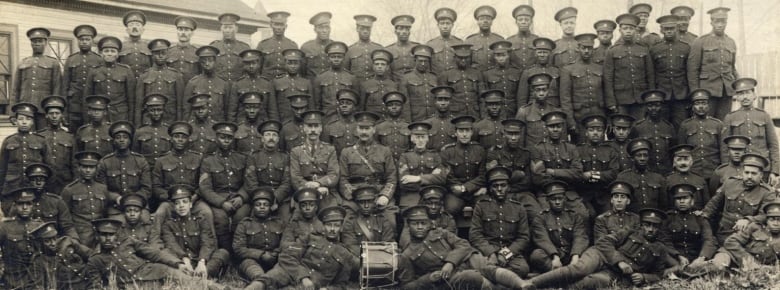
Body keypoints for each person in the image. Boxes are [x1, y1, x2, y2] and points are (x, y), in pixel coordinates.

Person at [519, 208, 678, 289]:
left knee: (590, 283)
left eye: (654, 226)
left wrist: (644, 277)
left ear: (659, 228)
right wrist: (620, 261)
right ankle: (531, 283)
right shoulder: (629, 231)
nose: (650, 229)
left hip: (614, 274)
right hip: (600, 255)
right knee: (579, 270)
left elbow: (658, 274)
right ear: (642, 225)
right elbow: (604, 242)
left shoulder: (661, 249)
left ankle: (557, 286)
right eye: (647, 225)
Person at [398, 205, 527, 289]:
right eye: (415, 224)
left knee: (488, 269)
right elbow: (407, 286)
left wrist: (450, 263)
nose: (420, 227)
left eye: (423, 223)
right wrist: (427, 279)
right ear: (408, 226)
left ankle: (523, 285)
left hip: (462, 265)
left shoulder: (442, 233)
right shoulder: (406, 254)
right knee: (471, 276)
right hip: (447, 281)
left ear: (429, 224)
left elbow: (464, 245)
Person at [84, 217, 227, 289]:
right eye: (103, 235)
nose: (108, 238)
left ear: (117, 234)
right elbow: (95, 286)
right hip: (132, 286)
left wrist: (177, 263)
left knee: (193, 283)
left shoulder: (128, 242)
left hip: (156, 272)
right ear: (97, 236)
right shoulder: (95, 260)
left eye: (111, 234)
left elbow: (155, 253)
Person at [253, 206, 358, 290]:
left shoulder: (345, 254)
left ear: (341, 228)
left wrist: (328, 289)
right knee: (263, 282)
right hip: (290, 272)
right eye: (329, 225)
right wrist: (303, 277)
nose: (332, 229)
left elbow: (341, 284)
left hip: (313, 286)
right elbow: (287, 256)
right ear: (323, 225)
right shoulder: (309, 238)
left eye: (336, 226)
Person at [698, 153, 776, 244]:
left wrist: (748, 220)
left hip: (747, 238)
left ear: (761, 175)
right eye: (747, 172)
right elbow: (714, 203)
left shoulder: (767, 192)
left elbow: (765, 215)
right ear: (742, 172)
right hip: (723, 235)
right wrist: (703, 215)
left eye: (754, 173)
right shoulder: (730, 183)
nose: (749, 176)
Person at [470, 166, 531, 277]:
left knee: (523, 269)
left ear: (509, 187)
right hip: (488, 250)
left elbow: (523, 237)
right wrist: (490, 253)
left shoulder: (519, 208)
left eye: (503, 185)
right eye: (495, 186)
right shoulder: (481, 206)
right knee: (481, 268)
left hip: (510, 252)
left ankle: (496, 280)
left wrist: (505, 254)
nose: (499, 189)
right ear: (490, 188)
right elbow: (475, 235)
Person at [199, 122, 251, 249]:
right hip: (218, 199)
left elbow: (249, 182)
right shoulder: (208, 161)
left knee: (241, 217)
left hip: (238, 198)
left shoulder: (242, 158)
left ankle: (239, 252)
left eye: (229, 138)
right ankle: (225, 253)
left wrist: (242, 197)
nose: (226, 141)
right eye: (222, 137)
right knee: (220, 220)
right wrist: (222, 203)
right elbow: (205, 188)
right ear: (216, 139)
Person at [160, 185, 230, 279]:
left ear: (190, 204)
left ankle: (200, 274)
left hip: (200, 261)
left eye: (185, 202)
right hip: (181, 262)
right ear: (174, 207)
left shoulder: (200, 220)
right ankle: (199, 277)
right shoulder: (168, 224)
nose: (181, 206)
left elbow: (207, 242)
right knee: (166, 258)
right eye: (177, 203)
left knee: (223, 253)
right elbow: (171, 244)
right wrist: (184, 259)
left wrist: (202, 262)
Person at [721, 77, 780, 185]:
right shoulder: (730, 118)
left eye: (747, 93)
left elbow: (773, 145)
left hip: (763, 169)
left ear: (754, 95)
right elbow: (725, 148)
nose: (745, 97)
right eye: (741, 94)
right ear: (737, 97)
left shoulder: (764, 116)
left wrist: (775, 171)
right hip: (740, 169)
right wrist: (727, 170)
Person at [339, 111, 397, 217]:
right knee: (348, 221)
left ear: (374, 129)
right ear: (356, 130)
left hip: (378, 193)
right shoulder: (346, 152)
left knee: (390, 221)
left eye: (367, 128)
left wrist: (385, 196)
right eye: (361, 128)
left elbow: (391, 177)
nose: (364, 132)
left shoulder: (384, 151)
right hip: (355, 196)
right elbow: (343, 179)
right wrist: (353, 196)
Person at [530, 111, 587, 217]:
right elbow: (538, 178)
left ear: (563, 127)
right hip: (546, 194)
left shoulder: (571, 148)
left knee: (583, 214)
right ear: (546, 128)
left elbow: (578, 173)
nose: (555, 129)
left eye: (558, 126)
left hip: (568, 193)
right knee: (544, 216)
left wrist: (552, 172)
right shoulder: (538, 149)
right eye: (551, 126)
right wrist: (567, 175)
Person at [687, 7, 738, 120]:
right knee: (707, 124)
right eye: (717, 21)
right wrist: (696, 94)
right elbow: (692, 70)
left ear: (726, 22)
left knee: (724, 123)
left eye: (723, 21)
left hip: (726, 92)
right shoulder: (700, 41)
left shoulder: (731, 42)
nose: (720, 24)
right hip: (707, 92)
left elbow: (732, 68)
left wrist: (737, 86)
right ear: (711, 22)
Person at [529, 180, 589, 273]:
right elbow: (542, 239)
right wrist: (554, 256)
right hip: (552, 256)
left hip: (571, 254)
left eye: (560, 198)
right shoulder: (540, 218)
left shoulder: (574, 216)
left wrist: (575, 256)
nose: (557, 202)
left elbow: (580, 237)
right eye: (553, 199)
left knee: (589, 254)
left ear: (565, 198)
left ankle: (558, 274)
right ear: (547, 200)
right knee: (536, 255)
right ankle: (567, 273)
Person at [604, 13, 655, 120]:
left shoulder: (643, 49)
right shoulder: (612, 51)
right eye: (625, 28)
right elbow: (608, 78)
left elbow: (650, 75)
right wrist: (611, 102)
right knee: (622, 127)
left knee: (640, 128)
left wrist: (650, 98)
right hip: (621, 100)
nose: (628, 31)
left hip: (641, 98)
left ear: (636, 30)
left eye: (631, 28)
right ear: (620, 30)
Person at [97, 121, 152, 217]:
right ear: (113, 141)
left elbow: (147, 189)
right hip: (115, 206)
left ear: (130, 140)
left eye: (125, 137)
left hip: (139, 205)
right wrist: (116, 198)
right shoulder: (105, 162)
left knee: (144, 221)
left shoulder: (140, 161)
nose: (122, 140)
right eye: (118, 137)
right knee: (117, 224)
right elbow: (102, 190)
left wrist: (134, 199)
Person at [440, 115, 486, 228]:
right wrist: (460, 189)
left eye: (467, 130)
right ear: (455, 133)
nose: (464, 134)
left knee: (486, 207)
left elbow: (482, 175)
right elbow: (449, 177)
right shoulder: (447, 151)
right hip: (456, 192)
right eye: (461, 131)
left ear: (472, 132)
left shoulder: (479, 150)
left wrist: (466, 187)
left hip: (475, 191)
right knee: (450, 209)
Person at [234, 187, 285, 288]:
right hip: (252, 261)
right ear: (253, 207)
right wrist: (260, 255)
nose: (262, 207)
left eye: (265, 205)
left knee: (282, 268)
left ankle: (262, 284)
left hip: (274, 260)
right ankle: (261, 281)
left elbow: (286, 243)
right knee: (253, 270)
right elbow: (238, 248)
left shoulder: (279, 223)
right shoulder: (245, 224)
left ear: (270, 207)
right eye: (258, 205)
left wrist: (275, 254)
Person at [560, 33, 606, 141]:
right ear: (578, 48)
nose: (586, 51)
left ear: (593, 49)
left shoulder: (599, 68)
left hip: (598, 115)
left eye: (589, 48)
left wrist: (606, 118)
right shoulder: (568, 69)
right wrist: (570, 121)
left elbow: (605, 93)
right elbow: (565, 99)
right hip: (579, 118)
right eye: (583, 48)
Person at [486, 119, 537, 213]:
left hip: (523, 194)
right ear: (504, 134)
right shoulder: (494, 153)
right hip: (500, 194)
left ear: (520, 135)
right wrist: (517, 175)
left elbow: (528, 182)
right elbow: (493, 180)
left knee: (535, 212)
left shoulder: (526, 154)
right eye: (510, 134)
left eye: (516, 134)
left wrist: (509, 184)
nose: (513, 138)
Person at [244, 120, 293, 220]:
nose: (271, 138)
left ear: (278, 139)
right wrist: (264, 199)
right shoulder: (254, 157)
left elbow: (286, 182)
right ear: (262, 139)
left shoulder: (285, 157)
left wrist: (275, 198)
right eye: (267, 135)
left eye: (274, 135)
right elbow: (251, 182)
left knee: (285, 220)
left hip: (281, 199)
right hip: (259, 198)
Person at [662, 183, 718, 269]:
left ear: (692, 200)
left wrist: (701, 258)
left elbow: (708, 239)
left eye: (685, 198)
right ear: (674, 201)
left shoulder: (699, 218)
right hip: (675, 258)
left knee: (714, 266)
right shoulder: (668, 218)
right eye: (678, 198)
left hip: (696, 257)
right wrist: (678, 256)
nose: (682, 201)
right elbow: (665, 240)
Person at [15, 27, 62, 129]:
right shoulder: (23, 63)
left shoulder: (53, 63)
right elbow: (16, 89)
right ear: (31, 43)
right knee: (27, 139)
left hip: (44, 110)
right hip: (25, 109)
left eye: (40, 41)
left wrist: (54, 109)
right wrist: (12, 112)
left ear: (45, 43)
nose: (37, 44)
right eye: (34, 41)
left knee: (44, 137)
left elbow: (57, 88)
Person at [61, 151, 109, 247]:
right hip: (80, 235)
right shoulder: (69, 190)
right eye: (84, 167)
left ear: (96, 168)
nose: (88, 170)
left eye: (91, 167)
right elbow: (65, 220)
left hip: (100, 235)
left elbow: (105, 213)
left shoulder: (102, 188)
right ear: (79, 168)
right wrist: (74, 238)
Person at [0, 103, 46, 202]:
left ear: (33, 122)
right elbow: (2, 168)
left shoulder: (41, 141)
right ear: (16, 121)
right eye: (21, 119)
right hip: (12, 186)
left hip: (33, 186)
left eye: (28, 119)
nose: (24, 122)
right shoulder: (9, 141)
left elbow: (49, 165)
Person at [0, 188, 45, 289]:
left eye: (28, 204)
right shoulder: (5, 227)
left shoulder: (40, 226)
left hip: (37, 280)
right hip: (13, 279)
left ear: (33, 205)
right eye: (21, 204)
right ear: (15, 205)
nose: (24, 207)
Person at [651, 15, 691, 127]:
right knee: (662, 125)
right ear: (661, 30)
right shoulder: (655, 49)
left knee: (681, 125)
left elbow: (690, 72)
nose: (669, 31)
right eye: (666, 29)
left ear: (677, 28)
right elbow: (651, 73)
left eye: (671, 28)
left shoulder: (686, 48)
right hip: (662, 95)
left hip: (681, 95)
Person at [20, 163, 78, 240]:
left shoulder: (56, 201)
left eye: (42, 180)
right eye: (34, 180)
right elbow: (15, 225)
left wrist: (73, 241)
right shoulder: (21, 202)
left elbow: (67, 227)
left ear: (46, 182)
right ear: (29, 181)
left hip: (52, 242)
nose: (38, 183)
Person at [397, 122, 446, 212]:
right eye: (417, 137)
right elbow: (403, 182)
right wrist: (431, 179)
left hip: (432, 194)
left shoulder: (435, 155)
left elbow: (442, 178)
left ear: (427, 138)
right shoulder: (405, 156)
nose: (420, 140)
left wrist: (418, 178)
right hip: (411, 195)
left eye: (423, 137)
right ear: (412, 138)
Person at [86, 36, 136, 123]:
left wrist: (131, 120)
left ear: (117, 54)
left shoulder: (126, 71)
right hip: (100, 114)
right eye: (106, 51)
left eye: (113, 51)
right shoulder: (94, 71)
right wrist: (87, 119)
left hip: (121, 114)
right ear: (101, 53)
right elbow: (87, 96)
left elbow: (131, 99)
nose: (109, 54)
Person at [576, 114, 619, 215]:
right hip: (584, 194)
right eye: (591, 130)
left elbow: (613, 173)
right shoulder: (578, 150)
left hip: (604, 194)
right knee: (587, 214)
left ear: (604, 132)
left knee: (609, 215)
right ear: (586, 132)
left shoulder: (610, 150)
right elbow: (576, 173)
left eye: (599, 130)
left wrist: (592, 174)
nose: (595, 133)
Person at [29, 221, 91, 290]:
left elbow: (92, 256)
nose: (53, 243)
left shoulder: (67, 242)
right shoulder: (39, 261)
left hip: (88, 283)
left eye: (54, 238)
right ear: (39, 243)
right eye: (47, 241)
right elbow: (38, 286)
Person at [135, 38, 184, 125]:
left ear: (167, 55)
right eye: (157, 53)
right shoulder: (144, 76)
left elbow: (179, 105)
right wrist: (138, 126)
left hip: (169, 120)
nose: (160, 56)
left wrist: (178, 124)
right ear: (152, 55)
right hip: (149, 120)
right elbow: (139, 106)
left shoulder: (176, 76)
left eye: (163, 53)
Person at [63, 24, 101, 131]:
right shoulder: (71, 59)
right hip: (74, 106)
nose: (84, 42)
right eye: (81, 39)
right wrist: (65, 111)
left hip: (93, 106)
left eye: (87, 39)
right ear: (77, 41)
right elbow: (64, 86)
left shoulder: (98, 60)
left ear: (92, 41)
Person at [678, 89, 723, 179]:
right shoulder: (685, 125)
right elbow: (681, 151)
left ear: (708, 105)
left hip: (714, 171)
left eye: (704, 103)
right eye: (697, 103)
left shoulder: (717, 124)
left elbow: (723, 150)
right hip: (693, 171)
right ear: (692, 106)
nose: (701, 106)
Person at [516, 38, 564, 118]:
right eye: (539, 52)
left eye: (545, 52)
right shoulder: (528, 72)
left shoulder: (557, 71)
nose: (542, 55)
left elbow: (562, 95)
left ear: (550, 53)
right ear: (535, 53)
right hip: (533, 112)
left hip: (553, 111)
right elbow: (522, 98)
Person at [341, 186, 396, 255]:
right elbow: (351, 246)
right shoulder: (350, 223)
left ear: (374, 202)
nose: (366, 206)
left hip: (381, 259)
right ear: (357, 203)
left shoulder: (383, 221)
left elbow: (388, 243)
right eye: (362, 202)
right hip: (360, 260)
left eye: (369, 202)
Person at [616, 138, 667, 211]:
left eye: (645, 155)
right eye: (639, 155)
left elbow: (664, 205)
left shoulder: (658, 178)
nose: (642, 158)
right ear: (632, 158)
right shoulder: (623, 177)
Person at [632, 89, 676, 173]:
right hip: (647, 172)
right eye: (650, 105)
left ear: (662, 106)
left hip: (666, 171)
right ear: (645, 107)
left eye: (657, 105)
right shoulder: (638, 127)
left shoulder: (669, 127)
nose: (653, 108)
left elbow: (673, 151)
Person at [38, 95, 75, 194]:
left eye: (57, 113)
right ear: (46, 115)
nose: (54, 116)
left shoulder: (70, 137)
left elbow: (74, 163)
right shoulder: (39, 136)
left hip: (65, 181)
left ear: (62, 115)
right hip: (45, 181)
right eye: (51, 113)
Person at [313, 41, 357, 121]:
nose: (336, 59)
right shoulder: (320, 77)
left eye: (339, 57)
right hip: (327, 116)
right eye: (333, 57)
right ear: (328, 58)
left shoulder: (351, 78)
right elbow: (317, 103)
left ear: (344, 58)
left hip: (347, 117)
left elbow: (356, 102)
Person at [229, 50, 276, 123]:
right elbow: (232, 111)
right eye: (248, 64)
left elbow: (272, 110)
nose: (251, 66)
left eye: (253, 63)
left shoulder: (267, 84)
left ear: (259, 64)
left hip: (262, 124)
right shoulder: (237, 84)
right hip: (242, 125)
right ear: (244, 65)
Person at [184, 46, 229, 121]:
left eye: (210, 60)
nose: (207, 64)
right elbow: (186, 109)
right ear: (200, 63)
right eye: (203, 61)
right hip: (197, 124)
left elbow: (227, 109)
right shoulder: (193, 83)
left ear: (215, 61)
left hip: (218, 123)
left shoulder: (223, 83)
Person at [438, 44, 484, 117]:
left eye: (466, 58)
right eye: (460, 58)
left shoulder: (477, 73)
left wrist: (483, 116)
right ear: (455, 57)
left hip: (474, 113)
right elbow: (443, 99)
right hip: (455, 115)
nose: (463, 60)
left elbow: (482, 98)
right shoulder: (446, 74)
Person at [273, 49, 312, 124]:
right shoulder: (276, 82)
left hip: (302, 121)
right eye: (290, 63)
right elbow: (273, 108)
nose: (293, 66)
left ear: (300, 64)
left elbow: (311, 106)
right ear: (285, 64)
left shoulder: (306, 82)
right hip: (283, 121)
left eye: (296, 63)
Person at [400, 44, 438, 121]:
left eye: (425, 61)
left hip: (432, 118)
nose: (423, 64)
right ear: (415, 60)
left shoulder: (434, 77)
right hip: (416, 118)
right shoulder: (406, 77)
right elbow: (405, 103)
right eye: (420, 61)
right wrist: (408, 122)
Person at [516, 72, 555, 147]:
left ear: (549, 91)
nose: (541, 93)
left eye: (544, 90)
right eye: (538, 90)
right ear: (533, 92)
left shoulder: (554, 111)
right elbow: (520, 141)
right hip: (532, 154)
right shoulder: (524, 112)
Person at [666, 144, 710, 210]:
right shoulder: (668, 181)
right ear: (674, 163)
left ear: (691, 161)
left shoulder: (700, 180)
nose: (683, 163)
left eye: (686, 159)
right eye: (679, 160)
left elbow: (707, 205)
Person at [482, 41, 521, 116]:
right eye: (498, 55)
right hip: (495, 112)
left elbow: (520, 96)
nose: (501, 58)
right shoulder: (487, 74)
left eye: (503, 55)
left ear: (508, 55)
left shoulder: (517, 72)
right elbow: (485, 98)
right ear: (494, 56)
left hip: (513, 111)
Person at [211, 13, 252, 83]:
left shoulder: (244, 47)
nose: (227, 30)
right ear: (221, 29)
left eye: (230, 27)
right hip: (219, 86)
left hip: (238, 85)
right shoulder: (214, 47)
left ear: (236, 29)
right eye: (225, 27)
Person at [360, 49, 400, 119]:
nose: (379, 66)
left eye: (383, 64)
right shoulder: (365, 85)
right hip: (372, 121)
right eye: (377, 64)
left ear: (387, 67)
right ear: (373, 66)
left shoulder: (394, 85)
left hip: (388, 121)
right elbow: (361, 107)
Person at [133, 94, 172, 166]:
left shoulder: (169, 131)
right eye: (152, 110)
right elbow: (136, 156)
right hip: (146, 169)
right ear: (147, 111)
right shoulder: (140, 132)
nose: (156, 113)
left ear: (164, 110)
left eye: (159, 110)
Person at [257, 11, 298, 79]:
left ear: (286, 26)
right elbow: (258, 67)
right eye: (276, 24)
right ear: (271, 25)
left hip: (285, 83)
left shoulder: (292, 45)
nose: (279, 28)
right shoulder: (263, 45)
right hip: (267, 82)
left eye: (281, 24)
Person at [465, 5, 503, 71]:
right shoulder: (469, 41)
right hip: (476, 77)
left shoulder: (499, 40)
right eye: (482, 19)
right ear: (478, 22)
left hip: (495, 78)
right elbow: (466, 65)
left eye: (488, 18)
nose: (485, 21)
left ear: (492, 21)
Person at [346, 14, 382, 83]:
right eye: (362, 28)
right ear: (357, 29)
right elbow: (346, 73)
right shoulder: (350, 50)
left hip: (374, 87)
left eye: (368, 28)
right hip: (356, 88)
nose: (365, 31)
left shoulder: (379, 48)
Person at [375, 91, 411, 160]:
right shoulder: (379, 127)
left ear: (402, 107)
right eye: (390, 105)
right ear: (386, 107)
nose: (394, 107)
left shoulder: (408, 127)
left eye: (397, 104)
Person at [427, 7, 463, 75]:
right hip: (437, 81)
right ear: (438, 25)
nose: (445, 26)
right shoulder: (430, 44)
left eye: (447, 23)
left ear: (452, 25)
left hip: (455, 80)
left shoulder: (459, 43)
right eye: (442, 23)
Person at [323, 89, 360, 154]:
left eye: (348, 103)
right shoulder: (329, 126)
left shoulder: (360, 126)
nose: (344, 105)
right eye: (341, 103)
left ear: (355, 107)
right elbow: (325, 152)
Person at [119, 11, 151, 80]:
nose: (134, 27)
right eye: (131, 25)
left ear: (143, 30)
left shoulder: (149, 46)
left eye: (138, 24)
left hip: (144, 84)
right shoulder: (120, 46)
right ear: (127, 30)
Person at [167, 16, 200, 83]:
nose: (183, 33)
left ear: (192, 33)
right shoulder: (168, 51)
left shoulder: (197, 53)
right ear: (177, 32)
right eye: (180, 29)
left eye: (186, 30)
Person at [422, 86, 456, 151]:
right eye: (440, 99)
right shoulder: (426, 124)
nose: (443, 103)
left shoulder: (456, 123)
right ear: (435, 101)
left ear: (450, 102)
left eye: (446, 100)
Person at [387, 15, 419, 81]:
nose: (404, 32)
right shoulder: (389, 50)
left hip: (414, 84)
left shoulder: (417, 48)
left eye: (407, 29)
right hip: (396, 86)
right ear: (395, 31)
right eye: (401, 28)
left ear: (409, 32)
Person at [301, 12, 333, 77]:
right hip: (312, 85)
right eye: (321, 28)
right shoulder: (306, 47)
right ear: (315, 29)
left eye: (327, 27)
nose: (324, 31)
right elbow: (302, 72)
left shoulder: (335, 47)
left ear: (330, 29)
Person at [507, 5, 539, 72]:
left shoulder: (537, 40)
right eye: (520, 19)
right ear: (516, 22)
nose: (523, 22)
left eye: (526, 19)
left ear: (531, 22)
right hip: (514, 77)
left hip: (533, 76)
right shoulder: (509, 41)